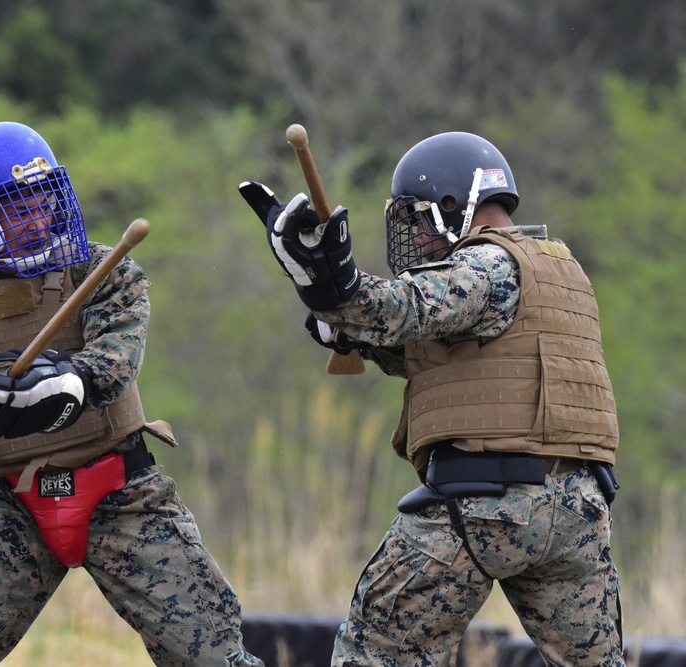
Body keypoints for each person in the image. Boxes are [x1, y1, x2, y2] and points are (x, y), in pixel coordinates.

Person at [0, 121, 263, 667]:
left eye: (44, 199)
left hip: (123, 493)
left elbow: (114, 361)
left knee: (215, 660)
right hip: (12, 506)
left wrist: (64, 384)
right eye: (16, 207)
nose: (39, 218)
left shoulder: (104, 271)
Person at [239, 131, 623, 666]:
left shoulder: (486, 265)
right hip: (580, 513)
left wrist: (332, 283)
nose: (417, 239)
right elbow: (445, 349)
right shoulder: (561, 272)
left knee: (376, 650)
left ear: (451, 206)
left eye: (418, 221)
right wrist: (351, 331)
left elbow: (409, 307)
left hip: (490, 501)